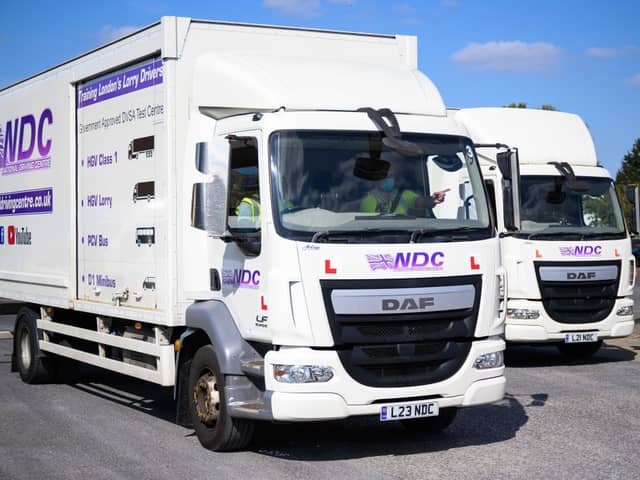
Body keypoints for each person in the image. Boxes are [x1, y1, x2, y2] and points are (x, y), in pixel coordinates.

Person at [360, 173, 449, 215]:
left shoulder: (403, 195)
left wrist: (433, 200)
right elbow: (373, 225)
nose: (389, 179)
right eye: (385, 176)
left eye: (391, 176)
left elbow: (421, 202)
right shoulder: (368, 200)